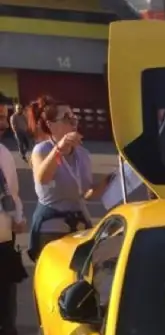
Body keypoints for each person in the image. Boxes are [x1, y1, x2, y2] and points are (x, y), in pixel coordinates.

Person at [27, 95, 112, 262]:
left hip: (79, 225)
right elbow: (42, 178)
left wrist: (108, 181)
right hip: (51, 228)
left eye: (73, 117)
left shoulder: (83, 154)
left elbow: (87, 193)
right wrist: (59, 148)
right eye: (66, 118)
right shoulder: (42, 149)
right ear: (51, 126)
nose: (73, 122)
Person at [0, 105, 40, 335]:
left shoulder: (3, 154)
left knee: (7, 316)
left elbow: (12, 194)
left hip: (3, 244)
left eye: (3, 118)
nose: (3, 123)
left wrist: (19, 217)